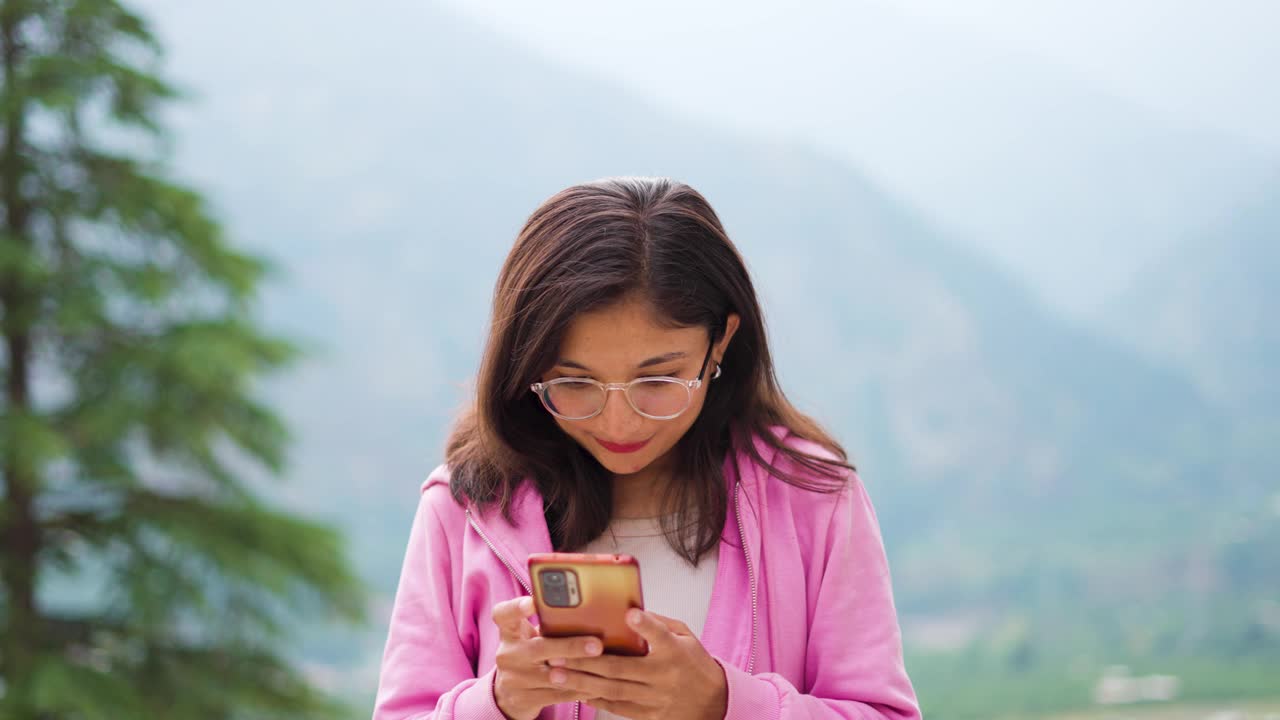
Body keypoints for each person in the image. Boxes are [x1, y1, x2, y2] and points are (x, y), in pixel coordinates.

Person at [373, 177, 921, 720]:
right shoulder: (463, 509)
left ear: (721, 342)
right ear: (527, 363)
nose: (619, 421)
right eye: (575, 383)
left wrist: (723, 703)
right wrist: (497, 703)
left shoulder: (813, 498)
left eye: (658, 380)